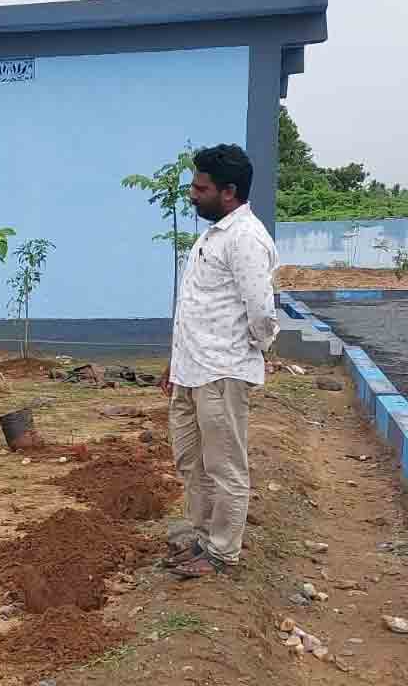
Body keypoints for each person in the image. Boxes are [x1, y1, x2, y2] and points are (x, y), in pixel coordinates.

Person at [160, 144, 279, 578]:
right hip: (191, 370)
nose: (192, 194)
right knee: (191, 460)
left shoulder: (246, 239)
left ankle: (222, 552)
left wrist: (247, 352)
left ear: (228, 192)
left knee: (224, 465)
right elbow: (197, 306)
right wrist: (175, 364)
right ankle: (199, 533)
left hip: (222, 372)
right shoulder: (215, 235)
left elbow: (261, 312)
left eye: (200, 187)